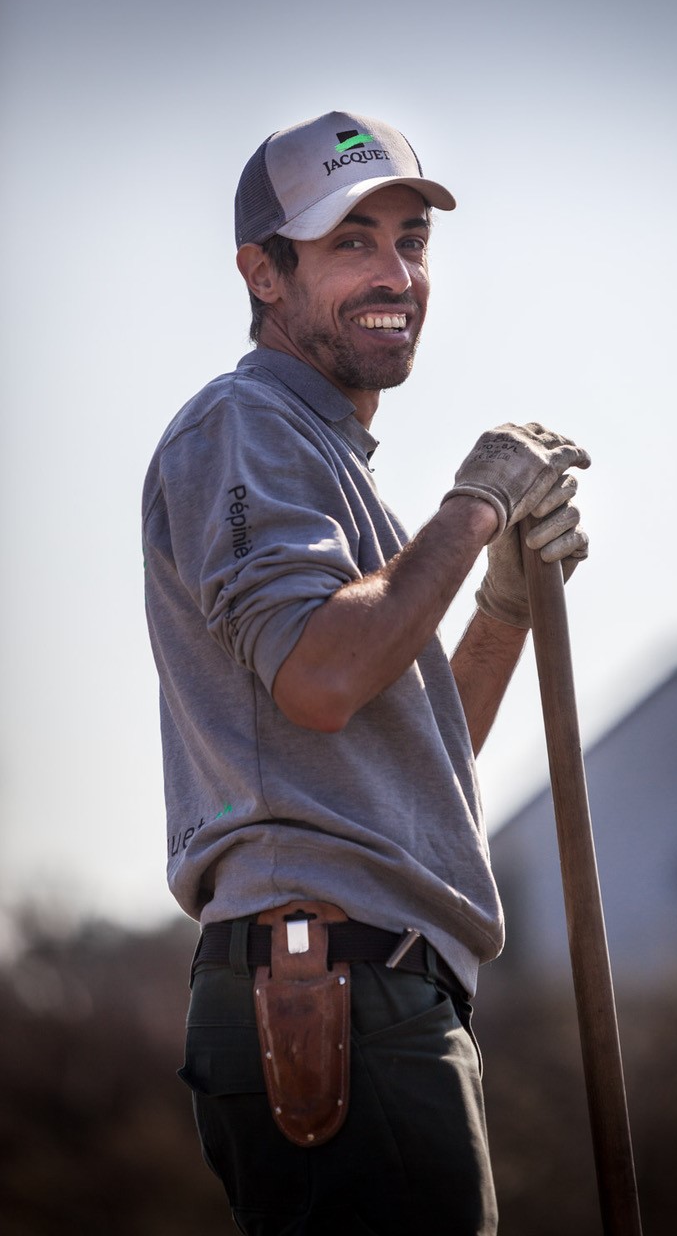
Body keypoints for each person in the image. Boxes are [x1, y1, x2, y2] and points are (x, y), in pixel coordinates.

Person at [142, 110, 590, 1236]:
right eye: (350, 242)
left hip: (372, 981)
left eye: (411, 240)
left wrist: (501, 595)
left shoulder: (331, 468)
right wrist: (477, 499)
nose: (395, 272)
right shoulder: (246, 427)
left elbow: (417, 757)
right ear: (263, 270)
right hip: (332, 986)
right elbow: (321, 679)